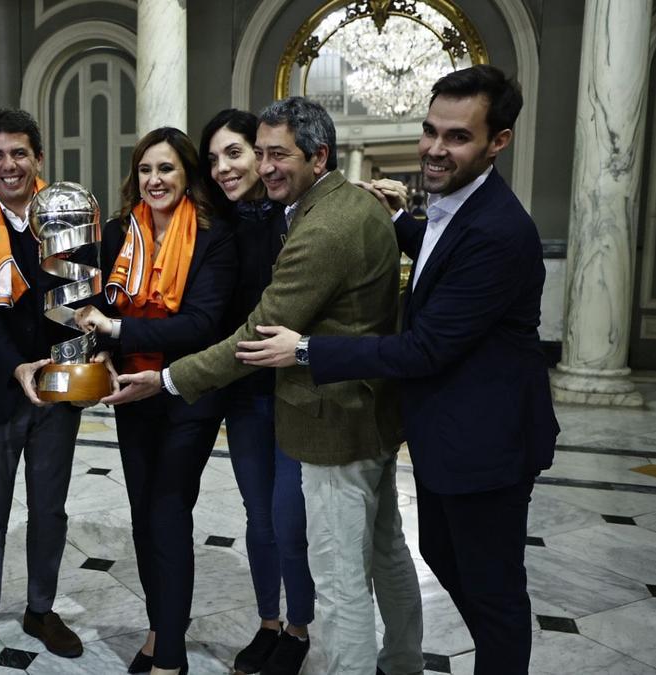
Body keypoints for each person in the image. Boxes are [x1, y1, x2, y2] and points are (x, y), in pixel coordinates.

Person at [250, 65, 558, 675]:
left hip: (487, 442)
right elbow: (442, 253)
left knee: (494, 597)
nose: (435, 149)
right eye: (429, 131)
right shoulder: (458, 207)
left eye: (457, 137)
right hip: (445, 435)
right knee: (441, 553)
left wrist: (309, 349)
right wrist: (400, 223)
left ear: (499, 141)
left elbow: (424, 348)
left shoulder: (499, 230)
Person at [106, 97, 424, 675]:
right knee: (306, 530)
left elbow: (245, 329)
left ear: (310, 156)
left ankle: (308, 635)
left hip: (317, 401)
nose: (248, 165)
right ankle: (323, 639)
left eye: (261, 153)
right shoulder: (255, 215)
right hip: (281, 395)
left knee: (322, 554)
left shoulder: (312, 221)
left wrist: (169, 378)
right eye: (228, 157)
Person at [73, 127, 234, 675]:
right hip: (131, 393)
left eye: (166, 169)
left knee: (167, 514)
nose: (154, 180)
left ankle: (171, 656)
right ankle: (158, 627)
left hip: (187, 391)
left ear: (187, 173)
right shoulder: (119, 231)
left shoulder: (215, 234)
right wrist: (100, 349)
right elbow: (93, 305)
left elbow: (201, 325)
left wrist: (116, 331)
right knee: (143, 517)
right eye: (145, 169)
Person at [0, 108, 87, 675]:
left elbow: (80, 298)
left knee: (49, 511)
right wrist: (15, 368)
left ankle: (40, 609)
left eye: (20, 153)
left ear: (38, 159)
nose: (9, 165)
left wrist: (84, 370)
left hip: (57, 387)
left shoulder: (67, 213)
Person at [196, 110, 314, 675]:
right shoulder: (217, 226)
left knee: (290, 518)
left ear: (263, 155)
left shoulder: (297, 216)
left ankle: (299, 628)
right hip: (245, 391)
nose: (224, 168)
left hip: (296, 388)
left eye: (235, 153)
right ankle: (270, 623)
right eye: (214, 158)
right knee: (259, 515)